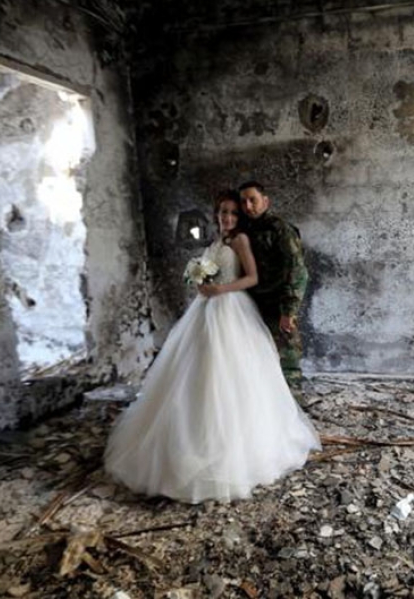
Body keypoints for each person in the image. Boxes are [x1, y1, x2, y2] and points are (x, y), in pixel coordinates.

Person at [104, 190, 321, 504]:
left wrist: (221, 288)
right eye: (223, 212)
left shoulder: (240, 241)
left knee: (230, 371)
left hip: (232, 308)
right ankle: (187, 437)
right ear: (216, 215)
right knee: (195, 369)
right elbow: (208, 270)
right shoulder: (216, 243)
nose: (228, 217)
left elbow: (251, 278)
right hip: (206, 310)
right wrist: (200, 282)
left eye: (233, 213)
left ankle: (232, 448)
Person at [238, 181, 309, 390]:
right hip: (253, 303)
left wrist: (289, 310)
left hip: (278, 303)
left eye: (253, 200)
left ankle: (294, 406)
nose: (248, 206)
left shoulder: (280, 230)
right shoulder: (245, 230)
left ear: (265, 201)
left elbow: (297, 272)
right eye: (244, 202)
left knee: (287, 359)